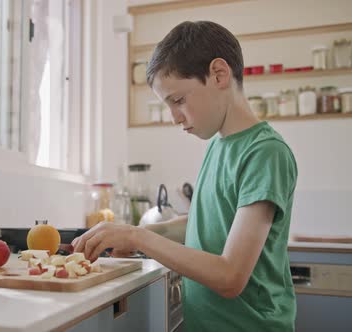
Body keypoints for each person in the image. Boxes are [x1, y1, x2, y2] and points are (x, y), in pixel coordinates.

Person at [72, 21, 298, 332]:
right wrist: (132, 232)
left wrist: (140, 238)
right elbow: (208, 222)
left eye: (178, 101)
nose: (175, 117)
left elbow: (230, 277)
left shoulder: (264, 152)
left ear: (219, 74)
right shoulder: (219, 145)